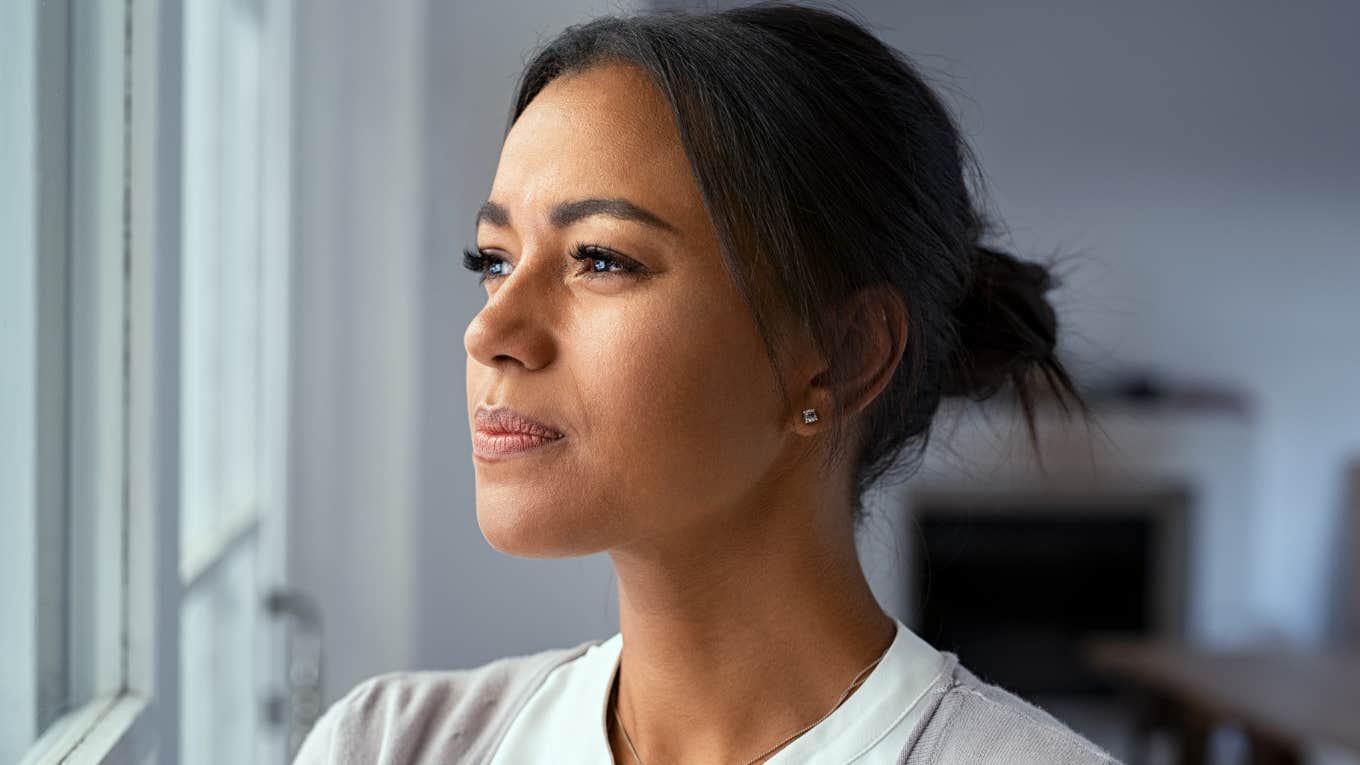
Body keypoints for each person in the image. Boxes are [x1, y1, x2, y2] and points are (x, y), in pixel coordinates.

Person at [295, 2, 1120, 763]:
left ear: (842, 355)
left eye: (601, 259)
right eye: (495, 260)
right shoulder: (390, 745)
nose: (490, 332)